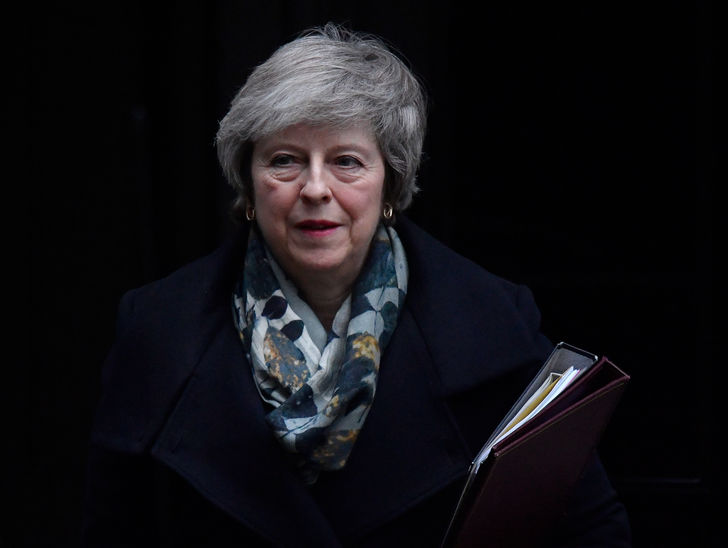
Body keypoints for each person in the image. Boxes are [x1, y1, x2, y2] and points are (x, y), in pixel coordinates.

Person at [83, 23, 631, 547]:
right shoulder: (157, 331)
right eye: (285, 161)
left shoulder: (494, 324)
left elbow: (588, 529)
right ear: (247, 188)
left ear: (389, 183)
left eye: (346, 161)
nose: (315, 188)